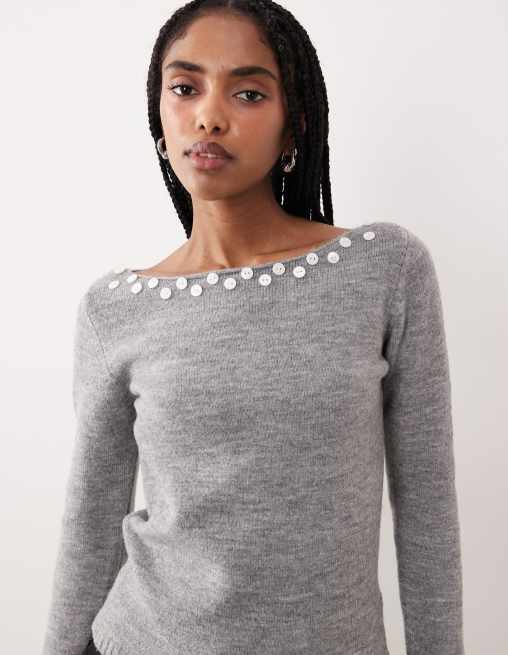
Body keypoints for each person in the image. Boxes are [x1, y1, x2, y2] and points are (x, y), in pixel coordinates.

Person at [41, 1, 465, 654]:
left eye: (247, 93)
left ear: (293, 126)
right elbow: (91, 522)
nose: (208, 116)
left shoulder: (384, 268)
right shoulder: (115, 308)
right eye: (185, 88)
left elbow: (427, 507)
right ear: (158, 116)